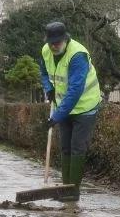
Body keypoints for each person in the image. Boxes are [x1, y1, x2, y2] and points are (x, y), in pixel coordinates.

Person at [39, 20, 102, 201]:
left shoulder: (77, 55)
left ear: (65, 39)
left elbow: (75, 90)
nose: (53, 46)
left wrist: (56, 117)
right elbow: (43, 72)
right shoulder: (45, 50)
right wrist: (48, 87)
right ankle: (65, 188)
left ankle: (73, 191)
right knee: (65, 147)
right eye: (51, 43)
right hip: (63, 106)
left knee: (77, 147)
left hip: (85, 107)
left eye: (57, 43)